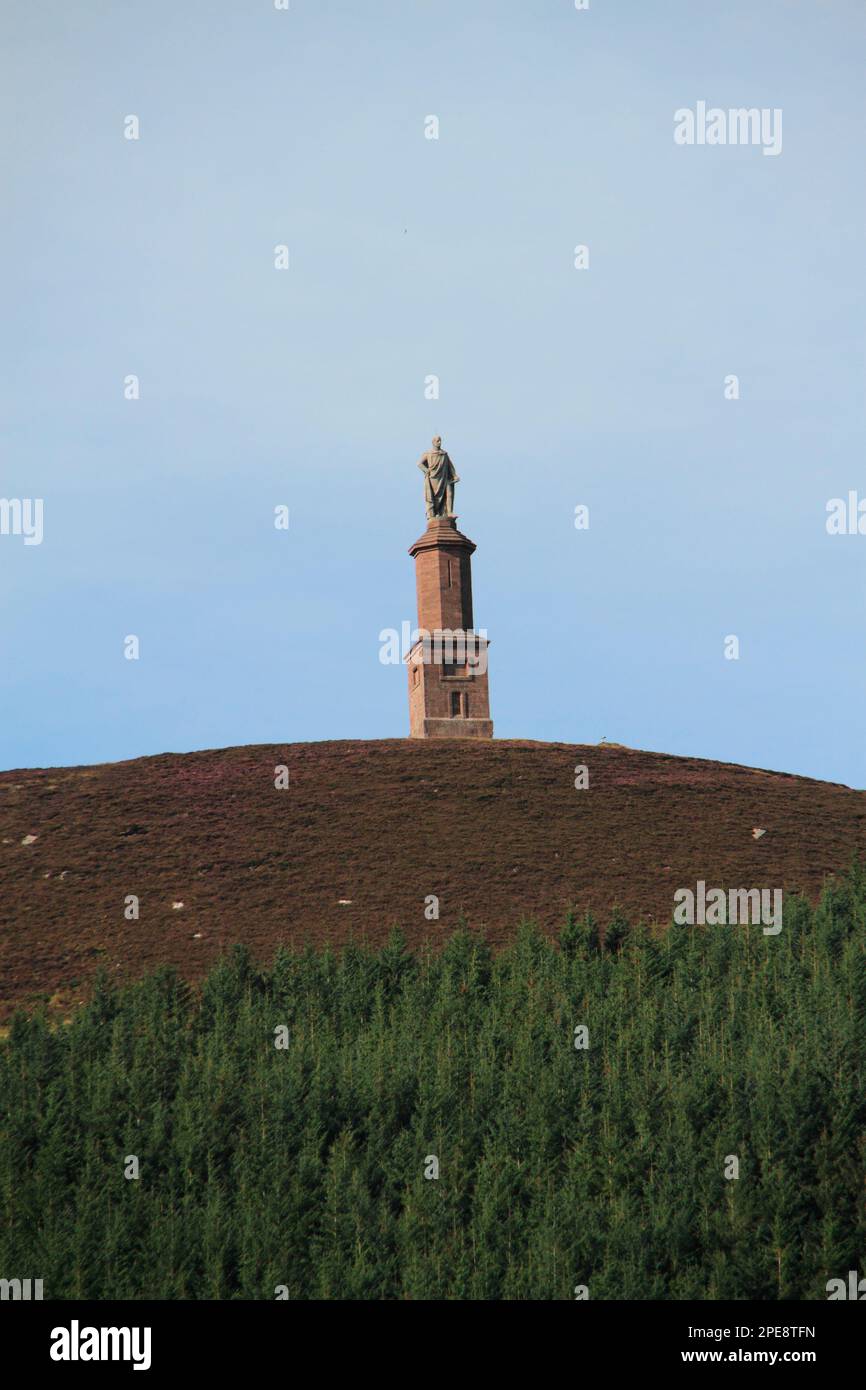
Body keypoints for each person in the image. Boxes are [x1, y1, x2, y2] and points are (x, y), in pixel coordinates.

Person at [417, 436, 459, 519]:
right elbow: (419, 464)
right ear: (433, 442)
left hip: (444, 477)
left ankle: (449, 512)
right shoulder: (428, 453)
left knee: (449, 493)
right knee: (433, 498)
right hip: (433, 478)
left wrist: (454, 475)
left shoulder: (444, 454)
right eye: (437, 441)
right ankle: (433, 514)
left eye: (440, 440)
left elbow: (450, 466)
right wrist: (427, 470)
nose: (439, 442)